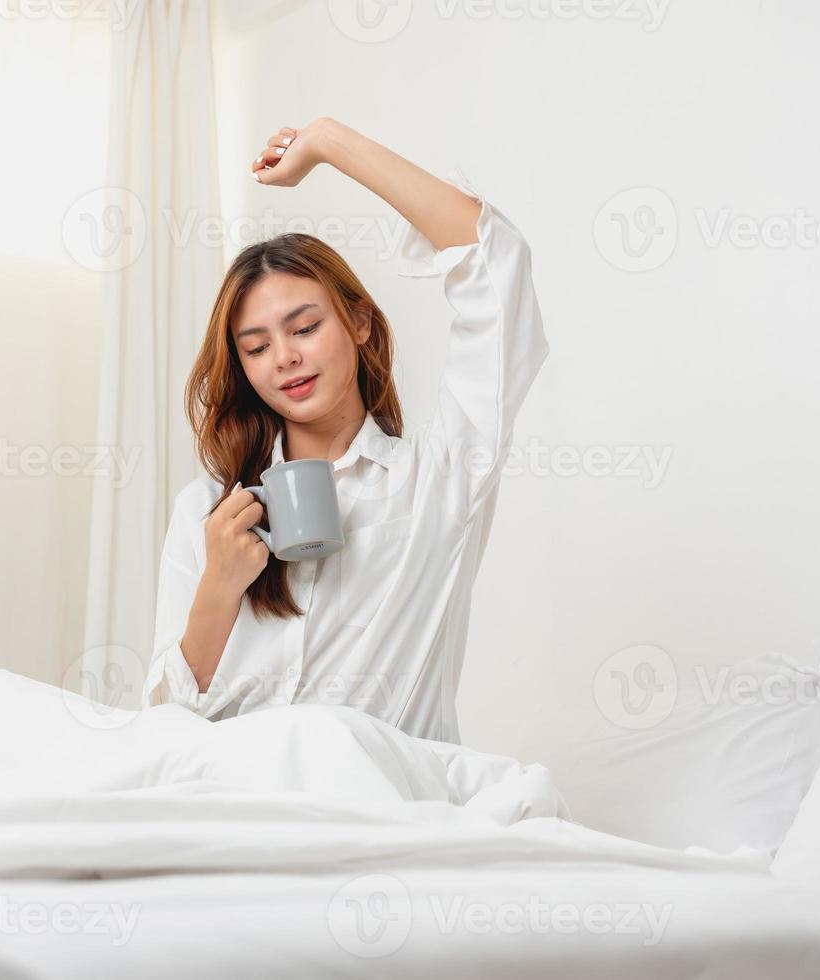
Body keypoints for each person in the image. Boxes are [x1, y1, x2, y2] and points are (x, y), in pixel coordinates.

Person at [139, 116, 550, 744]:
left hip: (375, 805)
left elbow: (495, 262)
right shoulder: (208, 512)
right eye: (256, 347)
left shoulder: (436, 482)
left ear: (358, 323)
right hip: (234, 808)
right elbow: (163, 728)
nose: (284, 358)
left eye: (304, 329)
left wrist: (329, 141)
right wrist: (219, 586)